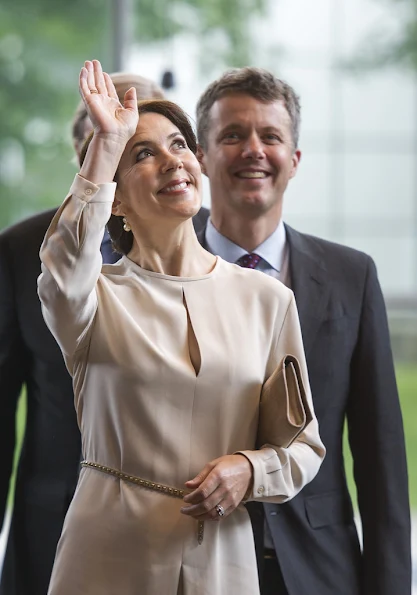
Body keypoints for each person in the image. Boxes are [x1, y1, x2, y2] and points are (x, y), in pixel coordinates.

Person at [37, 59, 325, 595]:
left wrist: (249, 469)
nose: (173, 162)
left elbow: (303, 447)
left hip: (222, 561)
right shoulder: (91, 296)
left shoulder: (267, 299)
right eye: (143, 154)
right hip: (106, 557)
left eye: (179, 145)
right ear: (115, 199)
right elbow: (63, 261)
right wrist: (106, 144)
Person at [195, 67, 412, 595]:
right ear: (201, 157)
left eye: (270, 136)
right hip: (190, 560)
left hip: (318, 569)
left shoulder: (351, 276)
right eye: (232, 135)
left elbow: (379, 453)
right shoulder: (154, 274)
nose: (253, 150)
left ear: (294, 160)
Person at [0, 71, 201, 595]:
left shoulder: (210, 256)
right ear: (83, 154)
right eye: (115, 136)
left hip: (184, 527)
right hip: (56, 514)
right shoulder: (24, 251)